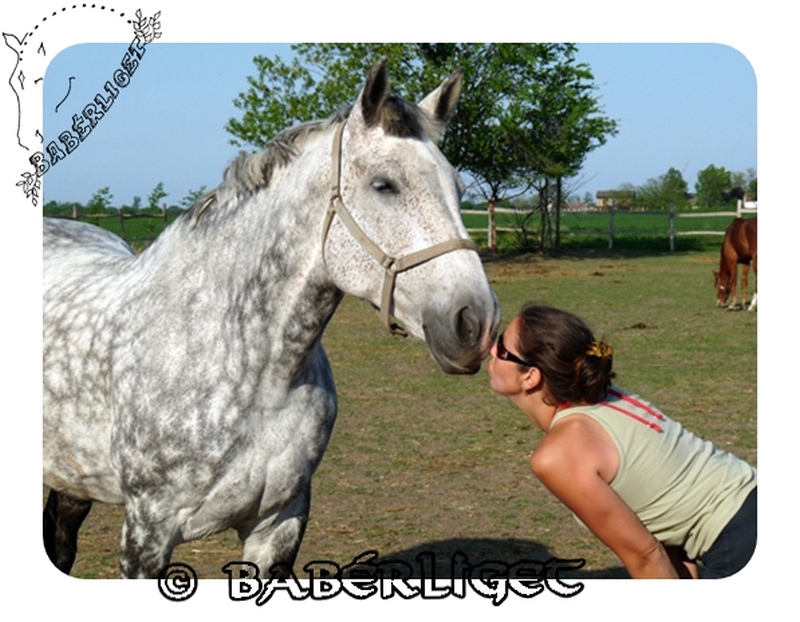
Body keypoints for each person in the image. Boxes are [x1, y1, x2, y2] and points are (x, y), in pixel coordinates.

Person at [488, 302, 756, 579]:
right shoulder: (608, 397)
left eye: (502, 348)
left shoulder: (559, 454)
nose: (491, 350)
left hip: (742, 543)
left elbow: (647, 557)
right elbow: (663, 533)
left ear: (530, 377)